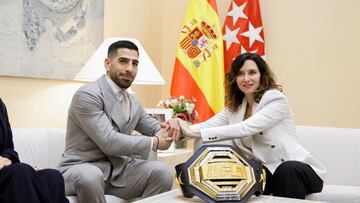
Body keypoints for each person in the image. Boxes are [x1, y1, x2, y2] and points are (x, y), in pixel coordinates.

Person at [176, 53, 326, 199]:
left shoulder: (275, 99)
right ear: (235, 78)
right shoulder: (235, 107)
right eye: (241, 74)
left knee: (287, 170)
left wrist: (195, 133)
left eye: (252, 72)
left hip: (298, 172)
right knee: (243, 178)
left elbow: (246, 128)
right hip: (267, 172)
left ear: (262, 75)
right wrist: (179, 127)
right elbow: (206, 126)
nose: (246, 78)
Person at [58, 40, 174, 203]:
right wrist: (154, 142)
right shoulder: (87, 95)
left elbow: (156, 128)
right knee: (91, 176)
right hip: (80, 169)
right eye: (123, 61)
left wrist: (174, 126)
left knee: (162, 172)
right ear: (107, 64)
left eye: (135, 63)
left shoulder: (134, 102)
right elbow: (108, 141)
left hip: (118, 174)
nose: (130, 69)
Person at [0, 98, 69, 203]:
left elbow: (9, 148)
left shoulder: (0, 106)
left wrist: (6, 159)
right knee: (21, 171)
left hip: (5, 171)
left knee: (53, 177)